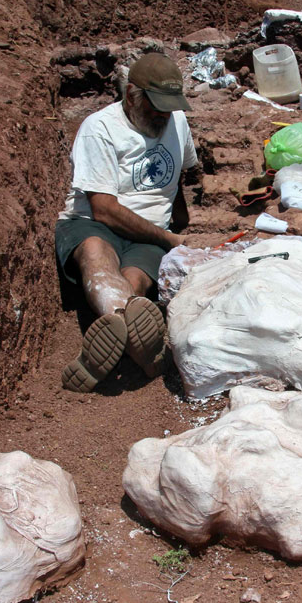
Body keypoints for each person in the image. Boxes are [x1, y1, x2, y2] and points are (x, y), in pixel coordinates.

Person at [54, 52, 198, 392]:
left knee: (135, 278)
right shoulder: (99, 128)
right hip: (92, 223)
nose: (163, 115)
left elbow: (181, 174)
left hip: (151, 232)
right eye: (156, 106)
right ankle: (137, 340)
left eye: (169, 107)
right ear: (131, 95)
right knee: (95, 253)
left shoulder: (177, 121)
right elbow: (103, 209)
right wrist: (169, 238)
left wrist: (179, 222)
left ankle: (119, 329)